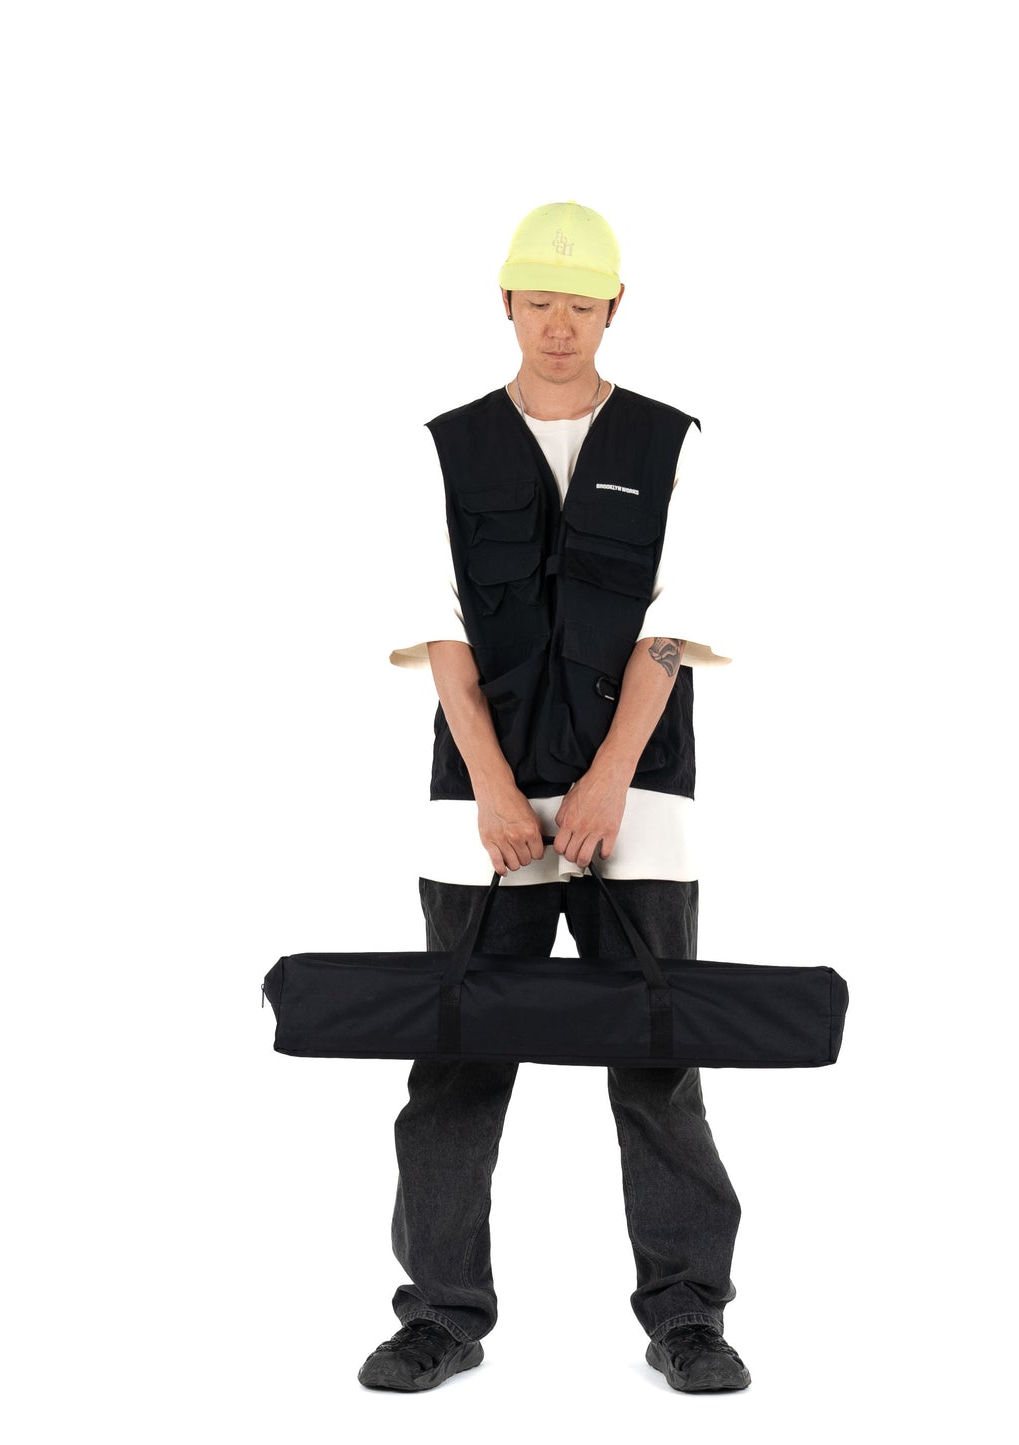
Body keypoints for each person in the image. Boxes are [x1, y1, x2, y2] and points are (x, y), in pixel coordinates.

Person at [363, 201, 748, 1394]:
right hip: (476, 815)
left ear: (614, 308)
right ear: (505, 303)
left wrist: (607, 781)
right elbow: (437, 627)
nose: (560, 325)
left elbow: (674, 622)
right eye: (540, 302)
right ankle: (439, 1312)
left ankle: (686, 1314)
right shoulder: (443, 446)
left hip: (640, 806)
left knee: (658, 1061)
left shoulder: (673, 443)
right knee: (456, 1061)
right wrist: (493, 786)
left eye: (582, 304)